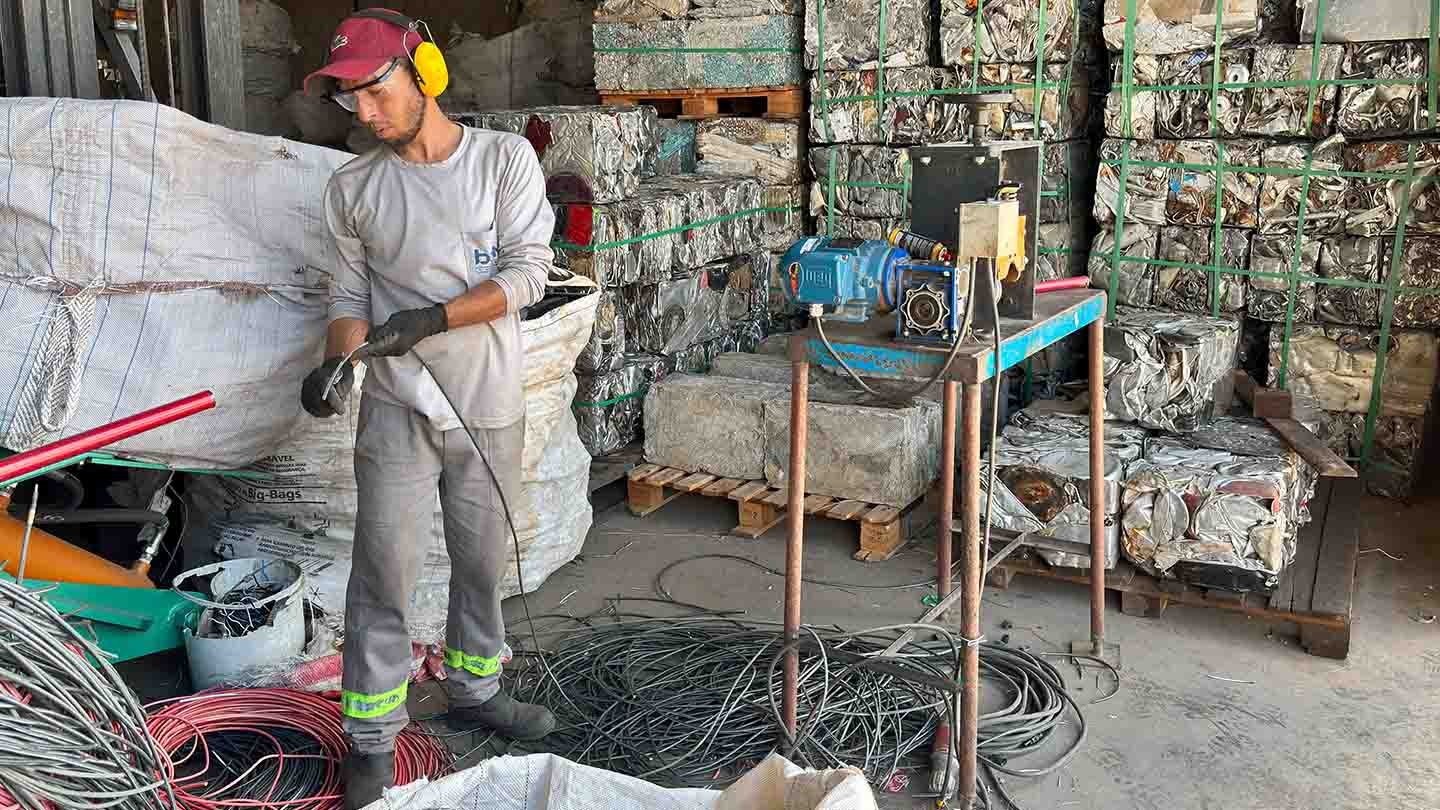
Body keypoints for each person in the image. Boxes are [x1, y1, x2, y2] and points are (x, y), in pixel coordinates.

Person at [300, 9, 555, 808]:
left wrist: (436, 318)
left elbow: (529, 273)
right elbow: (346, 296)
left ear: (423, 72)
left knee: (483, 563)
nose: (365, 114)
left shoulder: (502, 162)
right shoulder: (353, 189)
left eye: (374, 91)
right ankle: (372, 736)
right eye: (350, 101)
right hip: (396, 409)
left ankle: (477, 690)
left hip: (486, 399)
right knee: (384, 569)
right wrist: (339, 360)